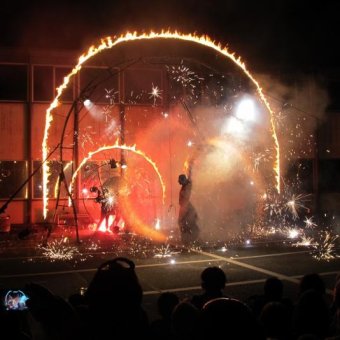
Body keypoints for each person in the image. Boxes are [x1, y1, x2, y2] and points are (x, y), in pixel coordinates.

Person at [178, 161, 199, 246]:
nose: (178, 181)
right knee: (184, 223)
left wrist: (190, 167)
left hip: (186, 207)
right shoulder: (185, 185)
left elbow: (189, 177)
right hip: (185, 207)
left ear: (183, 180)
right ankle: (188, 239)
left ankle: (187, 239)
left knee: (183, 222)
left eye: (179, 180)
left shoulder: (188, 185)